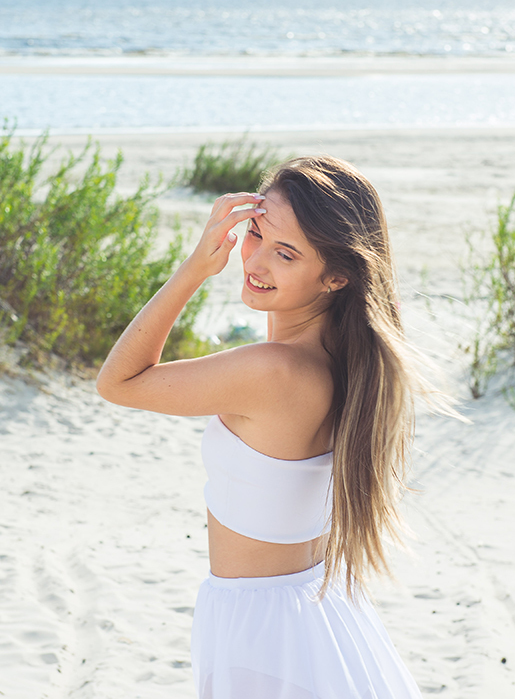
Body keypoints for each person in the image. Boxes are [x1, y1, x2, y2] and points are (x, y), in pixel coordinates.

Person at [97, 156, 459, 699]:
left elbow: (119, 382)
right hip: (312, 611)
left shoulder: (274, 371)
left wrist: (195, 268)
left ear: (336, 277)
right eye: (255, 234)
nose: (256, 261)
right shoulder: (344, 361)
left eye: (285, 253)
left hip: (264, 631)